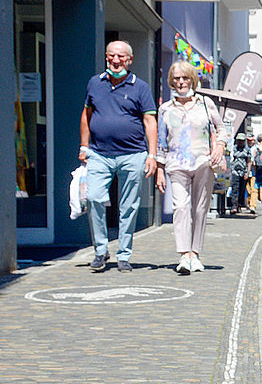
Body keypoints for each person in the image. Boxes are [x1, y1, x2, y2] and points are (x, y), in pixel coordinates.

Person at [79, 40, 158, 273]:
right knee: (93, 198)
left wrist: (152, 154)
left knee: (129, 206)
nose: (116, 60)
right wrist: (84, 146)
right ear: (106, 56)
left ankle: (124, 254)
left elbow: (149, 121)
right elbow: (86, 115)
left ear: (129, 60)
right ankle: (101, 250)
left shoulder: (140, 87)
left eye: (121, 57)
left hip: (133, 155)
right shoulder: (95, 83)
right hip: (99, 154)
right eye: (112, 56)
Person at [155, 60, 227, 273]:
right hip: (176, 164)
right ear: (171, 81)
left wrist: (220, 147)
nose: (181, 82)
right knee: (181, 206)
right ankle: (184, 254)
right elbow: (160, 141)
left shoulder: (206, 103)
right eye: (176, 78)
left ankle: (196, 253)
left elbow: (221, 129)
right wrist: (159, 168)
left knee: (200, 208)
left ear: (192, 79)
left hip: (203, 162)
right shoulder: (165, 109)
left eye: (185, 78)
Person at [228, 133, 252, 213]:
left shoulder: (247, 150)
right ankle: (234, 206)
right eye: (238, 141)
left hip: (243, 171)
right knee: (235, 188)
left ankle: (240, 204)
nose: (240, 142)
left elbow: (249, 161)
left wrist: (248, 172)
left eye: (241, 141)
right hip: (235, 172)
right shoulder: (233, 149)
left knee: (242, 189)